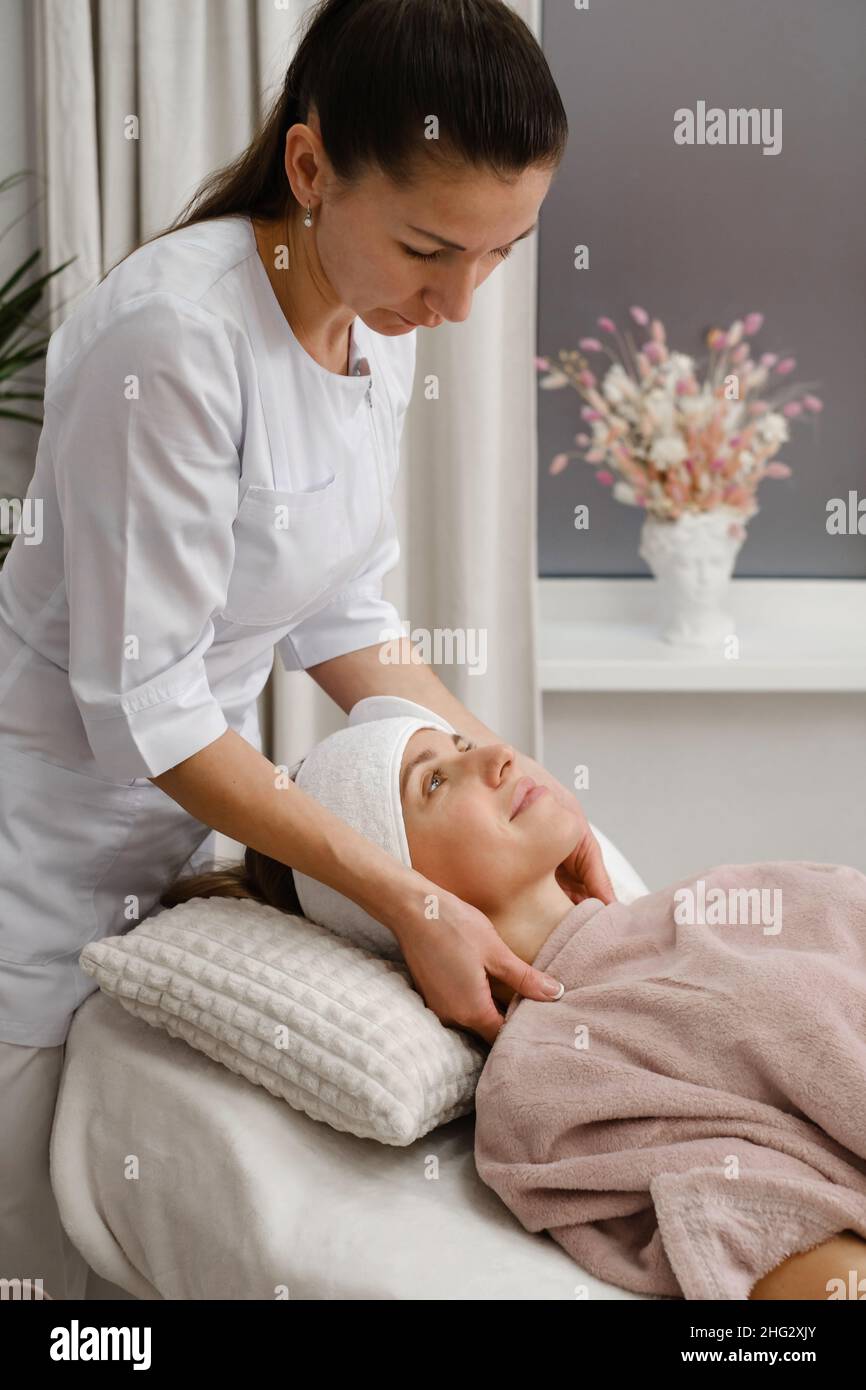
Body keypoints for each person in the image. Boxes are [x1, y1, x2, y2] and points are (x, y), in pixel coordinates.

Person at [0, 0, 614, 1297]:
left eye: (497, 256)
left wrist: (523, 786)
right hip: (34, 851)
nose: (456, 301)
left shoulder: (366, 327)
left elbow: (344, 616)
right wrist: (407, 895)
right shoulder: (171, 345)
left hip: (167, 838)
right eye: (429, 250)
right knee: (38, 1236)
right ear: (308, 166)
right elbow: (153, 708)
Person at [162, 694, 866, 1301]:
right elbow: (761, 1226)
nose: (498, 757)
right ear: (401, 901)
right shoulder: (547, 1082)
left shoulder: (733, 893)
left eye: (465, 743)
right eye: (434, 784)